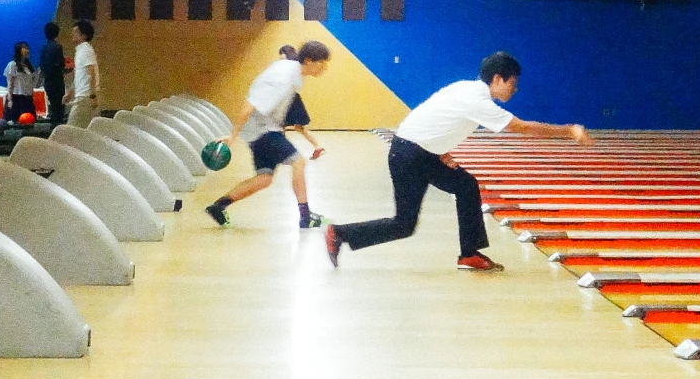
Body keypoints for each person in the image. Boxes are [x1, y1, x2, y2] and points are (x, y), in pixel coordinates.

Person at [325, 52, 589, 272]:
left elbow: (433, 117)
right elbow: (520, 128)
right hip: (410, 156)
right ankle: (340, 233)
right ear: (498, 78)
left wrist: (440, 152)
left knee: (466, 185)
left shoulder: (463, 88)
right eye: (513, 83)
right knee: (404, 224)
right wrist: (569, 131)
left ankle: (469, 254)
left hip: (419, 151)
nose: (514, 89)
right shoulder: (477, 100)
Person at [206, 41, 332, 229]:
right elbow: (248, 107)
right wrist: (231, 137)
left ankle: (218, 206)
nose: (325, 67)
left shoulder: (293, 70)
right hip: (262, 130)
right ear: (308, 61)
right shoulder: (282, 80)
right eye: (322, 62)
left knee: (264, 178)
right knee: (299, 162)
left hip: (261, 129)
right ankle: (305, 216)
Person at [277, 44, 327, 212]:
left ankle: (281, 152)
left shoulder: (288, 65)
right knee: (300, 127)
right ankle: (317, 146)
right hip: (294, 98)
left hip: (288, 99)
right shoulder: (297, 66)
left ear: (285, 54)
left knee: (281, 125)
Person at [68, 18, 101, 127]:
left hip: (85, 97)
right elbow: (79, 75)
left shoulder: (86, 50)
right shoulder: (80, 50)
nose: (73, 34)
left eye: (76, 32)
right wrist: (70, 92)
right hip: (83, 96)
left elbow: (91, 73)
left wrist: (93, 96)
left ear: (84, 36)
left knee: (71, 130)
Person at [40, 20, 67, 127]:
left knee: (53, 105)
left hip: (48, 80)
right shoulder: (57, 47)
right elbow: (60, 64)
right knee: (59, 106)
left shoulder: (44, 48)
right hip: (57, 80)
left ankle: (52, 126)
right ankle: (58, 127)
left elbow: (42, 65)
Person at [3, 41, 40, 121]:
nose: (27, 50)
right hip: (16, 97)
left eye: (27, 48)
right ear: (19, 50)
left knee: (31, 120)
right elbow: (10, 83)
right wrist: (10, 99)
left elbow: (34, 80)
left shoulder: (29, 66)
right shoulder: (12, 64)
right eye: (25, 48)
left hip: (28, 97)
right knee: (15, 121)